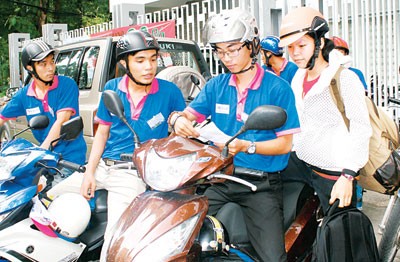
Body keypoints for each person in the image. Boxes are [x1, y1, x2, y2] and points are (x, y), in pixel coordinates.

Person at [170, 9, 300, 261]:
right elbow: (188, 115)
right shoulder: (216, 86)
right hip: (219, 178)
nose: (226, 57)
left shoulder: (277, 88)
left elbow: (285, 144)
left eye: (232, 49)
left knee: (273, 258)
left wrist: (246, 146)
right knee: (178, 233)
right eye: (220, 51)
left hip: (260, 184)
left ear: (252, 45)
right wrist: (178, 120)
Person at [46, 30, 186, 257]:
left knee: (115, 241)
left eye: (152, 59)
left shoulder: (169, 92)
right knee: (45, 200)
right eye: (140, 60)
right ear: (124, 63)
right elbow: (102, 134)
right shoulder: (112, 88)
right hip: (103, 167)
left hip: (132, 173)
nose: (149, 66)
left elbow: (180, 128)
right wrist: (90, 172)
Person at [278, 7, 372, 213]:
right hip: (303, 165)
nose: (295, 53)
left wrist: (347, 176)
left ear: (319, 42)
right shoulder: (298, 78)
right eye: (290, 47)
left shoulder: (344, 79)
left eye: (301, 45)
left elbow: (361, 129)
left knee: (338, 237)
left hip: (333, 174)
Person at [0, 40, 87, 177]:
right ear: (30, 67)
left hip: (68, 162)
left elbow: (61, 121)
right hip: (44, 163)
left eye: (52, 62)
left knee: (56, 196)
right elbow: (2, 117)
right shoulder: (24, 95)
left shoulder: (66, 85)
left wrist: (41, 151)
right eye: (43, 64)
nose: (50, 68)